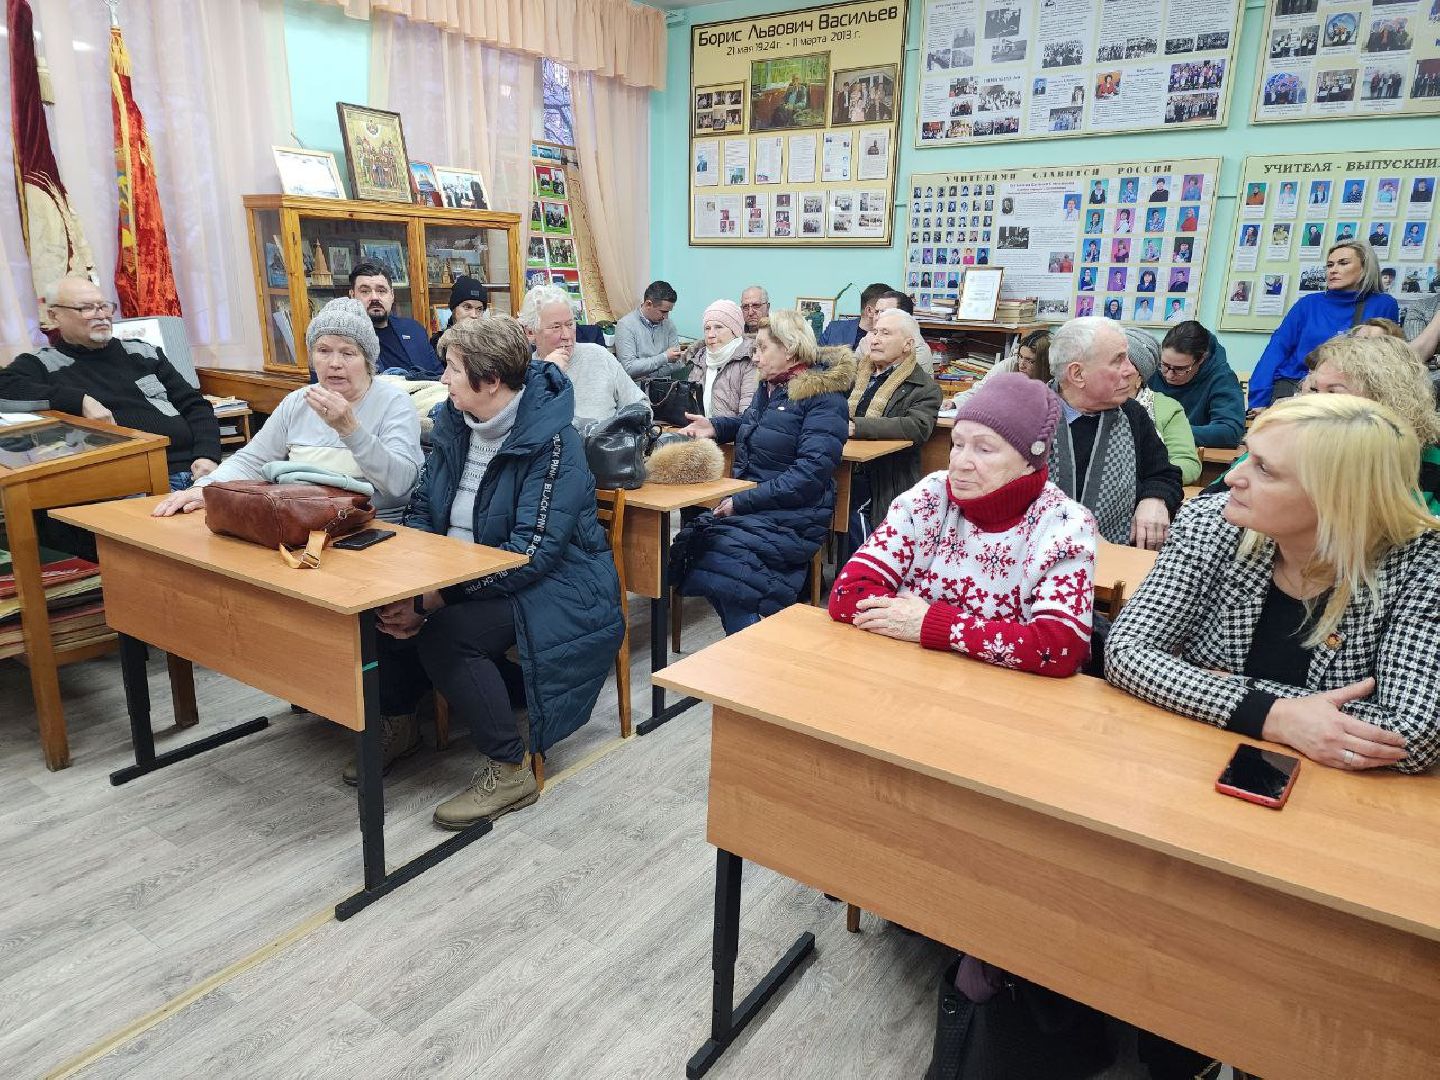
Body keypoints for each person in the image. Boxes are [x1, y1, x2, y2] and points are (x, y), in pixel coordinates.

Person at [365, 316, 624, 825]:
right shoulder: (453, 425)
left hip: (559, 582)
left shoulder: (554, 441)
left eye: (453, 370)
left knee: (446, 635)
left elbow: (532, 552)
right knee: (380, 607)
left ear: (489, 381)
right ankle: (401, 721)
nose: (442, 380)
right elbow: (422, 506)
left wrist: (436, 600)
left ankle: (509, 768)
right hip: (465, 574)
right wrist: (416, 585)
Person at [1107, 393, 1440, 775]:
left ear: (1334, 499)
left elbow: (1412, 735)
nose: (1232, 477)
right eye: (1247, 455)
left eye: (1264, 469)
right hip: (1194, 761)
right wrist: (1274, 715)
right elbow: (1126, 653)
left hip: (1336, 796)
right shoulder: (1210, 523)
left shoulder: (1422, 565)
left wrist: (1211, 685)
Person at [829, 373, 1096, 677]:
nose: (960, 462)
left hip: (1001, 698)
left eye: (984, 449)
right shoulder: (931, 496)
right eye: (957, 444)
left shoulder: (1063, 524)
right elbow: (846, 594)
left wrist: (933, 623)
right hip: (905, 676)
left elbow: (1059, 647)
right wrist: (992, 636)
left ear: (1029, 460)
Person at [153, 298, 423, 521]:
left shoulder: (394, 403)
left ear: (368, 360)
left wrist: (351, 431)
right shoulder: (298, 401)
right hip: (296, 522)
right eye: (323, 350)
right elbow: (251, 461)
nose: (334, 363)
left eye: (348, 353)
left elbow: (400, 486)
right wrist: (205, 489)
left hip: (372, 525)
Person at [671, 311, 852, 633]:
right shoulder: (772, 387)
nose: (754, 358)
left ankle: (750, 641)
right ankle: (749, 639)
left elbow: (810, 474)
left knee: (723, 553)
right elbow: (760, 425)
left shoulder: (824, 399)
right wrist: (716, 425)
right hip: (759, 503)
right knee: (695, 544)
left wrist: (742, 502)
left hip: (795, 512)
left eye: (761, 349)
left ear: (791, 351)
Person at [0, 274, 222, 491]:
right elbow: (5, 387)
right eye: (86, 308)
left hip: (195, 471)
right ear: (54, 316)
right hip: (130, 481)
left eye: (104, 306)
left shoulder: (144, 352)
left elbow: (195, 406)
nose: (101, 315)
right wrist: (79, 401)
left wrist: (208, 455)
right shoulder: (43, 363)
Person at [1048, 317, 1183, 548]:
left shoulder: (1132, 415)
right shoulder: (1027, 414)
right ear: (1078, 374)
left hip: (1115, 562)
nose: (1131, 370)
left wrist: (1155, 499)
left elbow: (1163, 474)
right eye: (1118, 360)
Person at [1248, 241, 1398, 408]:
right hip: (1295, 386)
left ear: (1365, 268)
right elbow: (1276, 349)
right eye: (1329, 265)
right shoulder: (1308, 304)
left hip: (1348, 394)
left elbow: (1385, 362)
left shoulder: (1383, 304)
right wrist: (1258, 401)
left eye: (1343, 263)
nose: (1333, 270)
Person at [1301, 333, 1440, 512]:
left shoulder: (1429, 466)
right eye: (1314, 389)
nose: (1314, 402)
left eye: (1334, 393)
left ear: (1382, 399)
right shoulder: (1290, 449)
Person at [845, 308, 942, 543]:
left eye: (885, 333)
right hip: (841, 464)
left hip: (883, 475)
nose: (875, 339)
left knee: (851, 508)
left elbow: (916, 426)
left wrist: (858, 428)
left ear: (907, 345)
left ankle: (859, 576)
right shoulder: (852, 375)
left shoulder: (923, 387)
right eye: (875, 332)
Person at [519, 284, 646, 429]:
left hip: (606, 447)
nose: (567, 335)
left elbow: (640, 405)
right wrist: (546, 373)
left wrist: (618, 435)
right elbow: (525, 430)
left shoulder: (599, 356)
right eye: (556, 327)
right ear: (530, 332)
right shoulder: (524, 373)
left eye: (570, 324)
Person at [1148, 320, 1245, 448]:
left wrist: (1170, 432)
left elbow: (1230, 431)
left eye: (1180, 369)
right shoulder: (1150, 366)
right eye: (1164, 365)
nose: (1169, 375)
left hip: (1195, 456)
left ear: (1201, 360)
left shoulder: (1221, 378)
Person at [1124, 329, 1200, 484]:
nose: (1115, 371)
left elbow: (1187, 464)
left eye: (1124, 363)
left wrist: (1148, 477)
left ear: (1140, 376)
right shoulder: (1090, 403)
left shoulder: (1167, 408)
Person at [349, 262, 440, 379]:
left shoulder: (414, 330)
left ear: (392, 295)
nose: (374, 297)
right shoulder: (343, 337)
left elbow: (440, 376)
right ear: (352, 295)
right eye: (365, 291)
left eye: (381, 291)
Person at [676, 299, 758, 419]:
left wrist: (716, 430)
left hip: (731, 435)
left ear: (734, 331)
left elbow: (747, 416)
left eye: (718, 327)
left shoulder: (749, 360)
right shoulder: (700, 358)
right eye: (707, 328)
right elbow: (689, 407)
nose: (711, 334)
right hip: (700, 433)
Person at [614, 280, 680, 383]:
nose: (666, 317)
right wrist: (664, 357)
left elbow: (677, 363)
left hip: (665, 390)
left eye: (668, 312)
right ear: (648, 304)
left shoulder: (669, 324)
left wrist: (648, 374)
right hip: (636, 392)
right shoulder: (625, 325)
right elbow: (629, 368)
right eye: (663, 311)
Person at [856, 289, 936, 373]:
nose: (877, 318)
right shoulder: (869, 338)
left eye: (885, 313)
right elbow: (850, 375)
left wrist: (870, 357)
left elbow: (893, 382)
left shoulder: (918, 350)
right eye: (876, 312)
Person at [819, 282, 893, 349]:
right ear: (870, 311)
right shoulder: (834, 330)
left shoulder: (893, 337)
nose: (894, 315)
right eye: (889, 311)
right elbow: (817, 361)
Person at [428, 275, 487, 352]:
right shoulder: (438, 345)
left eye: (479, 309)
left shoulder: (489, 345)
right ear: (454, 309)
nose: (474, 315)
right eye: (467, 307)